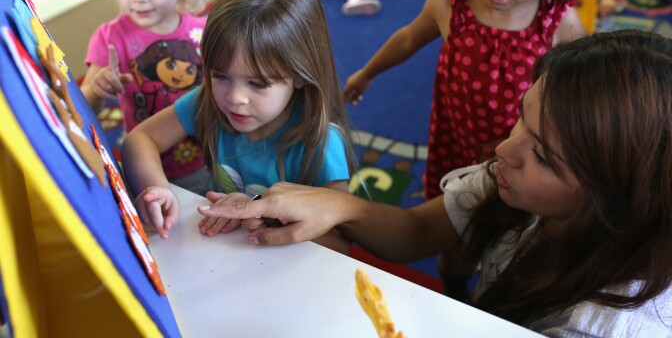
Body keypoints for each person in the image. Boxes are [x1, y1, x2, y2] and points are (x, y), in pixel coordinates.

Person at [198, 29, 672, 337]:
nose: (505, 150)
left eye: (544, 156)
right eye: (522, 117)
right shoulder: (514, 178)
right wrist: (341, 207)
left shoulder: (607, 325)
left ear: (613, 198)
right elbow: (419, 233)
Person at [343, 0, 603, 201]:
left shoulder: (559, 20)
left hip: (519, 148)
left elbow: (581, 87)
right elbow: (408, 39)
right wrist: (367, 73)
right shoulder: (448, 4)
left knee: (505, 214)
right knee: (453, 203)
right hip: (456, 136)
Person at [121, 0, 356, 254]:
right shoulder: (207, 101)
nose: (234, 97)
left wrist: (260, 216)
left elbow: (342, 243)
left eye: (257, 84)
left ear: (301, 75)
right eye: (220, 75)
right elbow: (140, 138)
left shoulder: (322, 144)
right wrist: (158, 190)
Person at [81, 0, 214, 192]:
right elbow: (81, 111)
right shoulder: (109, 38)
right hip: (149, 168)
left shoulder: (204, 31)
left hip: (213, 159)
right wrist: (96, 91)